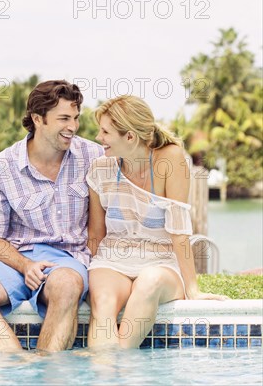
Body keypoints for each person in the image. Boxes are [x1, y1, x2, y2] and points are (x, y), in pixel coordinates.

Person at [0, 80, 103, 352]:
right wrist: (25, 265)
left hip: (69, 260)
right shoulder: (1, 167)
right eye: (63, 118)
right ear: (38, 119)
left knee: (67, 285)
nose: (72, 126)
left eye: (75, 118)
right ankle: (19, 368)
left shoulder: (93, 156)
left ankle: (45, 370)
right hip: (16, 259)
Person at [86, 95, 228, 349]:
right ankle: (105, 374)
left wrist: (192, 289)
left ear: (130, 137)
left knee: (149, 283)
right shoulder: (100, 169)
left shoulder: (170, 159)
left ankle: (121, 365)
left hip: (161, 263)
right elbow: (96, 232)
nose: (99, 138)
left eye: (105, 132)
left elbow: (179, 231)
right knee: (104, 302)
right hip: (112, 260)